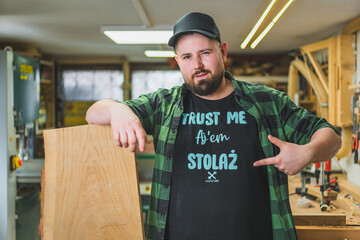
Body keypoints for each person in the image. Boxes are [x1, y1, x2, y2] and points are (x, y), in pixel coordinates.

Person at [86, 12, 341, 240]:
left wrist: (307, 153)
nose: (196, 65)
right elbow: (93, 114)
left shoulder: (266, 101)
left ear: (223, 52)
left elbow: (332, 136)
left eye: (205, 53)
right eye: (186, 57)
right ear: (178, 61)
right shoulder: (164, 105)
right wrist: (117, 109)